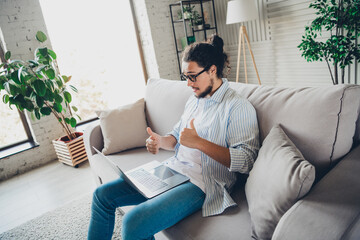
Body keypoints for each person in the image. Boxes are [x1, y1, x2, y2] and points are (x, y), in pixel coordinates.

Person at [88, 34, 259, 240]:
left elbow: (247, 161)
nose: (188, 84)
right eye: (185, 76)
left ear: (213, 70)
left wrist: (200, 143)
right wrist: (160, 141)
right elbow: (177, 137)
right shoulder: (194, 99)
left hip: (203, 183)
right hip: (172, 169)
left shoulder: (238, 107)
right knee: (102, 196)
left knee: (133, 222)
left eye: (192, 76)